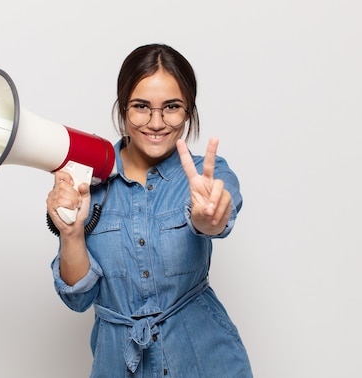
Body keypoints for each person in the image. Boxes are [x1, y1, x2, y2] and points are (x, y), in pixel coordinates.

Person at [46, 43, 253, 377]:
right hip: (117, 363)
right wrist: (71, 232)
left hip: (203, 359)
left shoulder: (206, 177)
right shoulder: (90, 184)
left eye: (171, 107)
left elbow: (216, 218)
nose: (156, 123)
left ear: (188, 111)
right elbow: (78, 300)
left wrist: (208, 216)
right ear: (123, 108)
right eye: (141, 107)